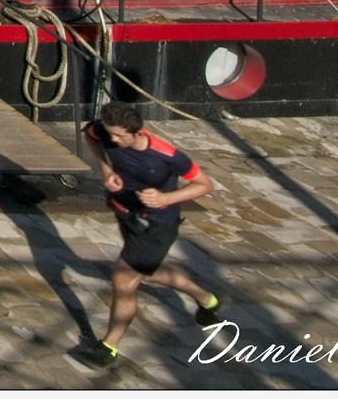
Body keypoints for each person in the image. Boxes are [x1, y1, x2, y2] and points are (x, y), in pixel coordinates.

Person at [68, 101, 223, 371]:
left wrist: (166, 197)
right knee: (145, 273)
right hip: (126, 214)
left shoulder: (168, 156)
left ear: (137, 132)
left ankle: (109, 347)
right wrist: (106, 169)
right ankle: (206, 298)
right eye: (110, 134)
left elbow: (204, 185)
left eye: (119, 136)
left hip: (157, 226)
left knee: (124, 279)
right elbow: (90, 135)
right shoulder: (104, 132)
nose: (112, 140)